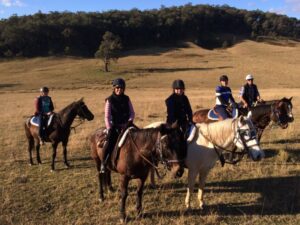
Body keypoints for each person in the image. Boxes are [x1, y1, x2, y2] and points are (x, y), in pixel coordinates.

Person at [101, 78, 135, 173]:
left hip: (126, 125)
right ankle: (103, 163)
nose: (119, 90)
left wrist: (129, 122)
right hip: (114, 126)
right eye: (117, 88)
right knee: (109, 143)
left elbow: (132, 113)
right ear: (114, 88)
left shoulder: (127, 99)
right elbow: (107, 116)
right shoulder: (109, 100)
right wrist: (109, 128)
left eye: (121, 88)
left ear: (124, 89)